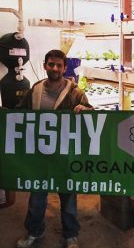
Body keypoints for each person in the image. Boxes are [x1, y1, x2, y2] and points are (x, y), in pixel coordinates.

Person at [16, 49, 94, 248]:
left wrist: (84, 110)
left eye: (59, 65)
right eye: (51, 64)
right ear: (45, 66)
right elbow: (21, 113)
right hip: (39, 154)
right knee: (36, 197)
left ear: (65, 68)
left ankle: (71, 235)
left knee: (68, 197)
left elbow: (92, 115)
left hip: (65, 156)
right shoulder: (35, 90)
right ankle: (34, 231)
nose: (55, 68)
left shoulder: (75, 93)